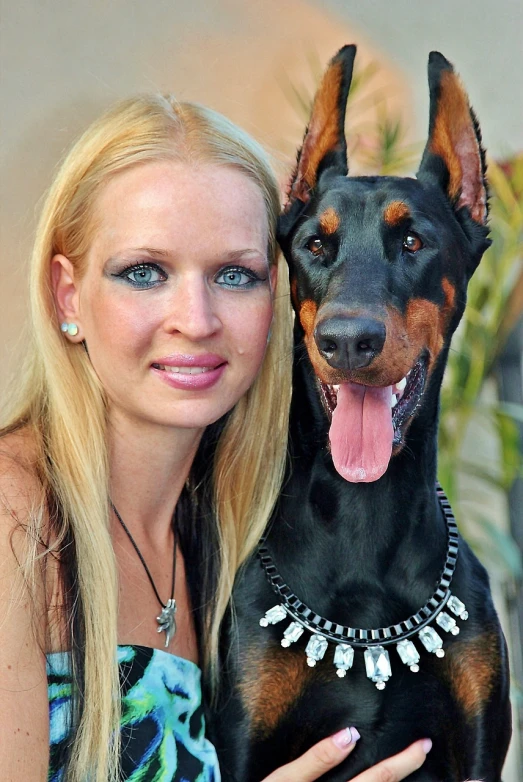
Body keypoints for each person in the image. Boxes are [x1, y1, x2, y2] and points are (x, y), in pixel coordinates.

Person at [0, 93, 432, 781]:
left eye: (235, 275)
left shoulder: (239, 538)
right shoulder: (14, 522)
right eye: (144, 272)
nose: (195, 320)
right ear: (67, 296)